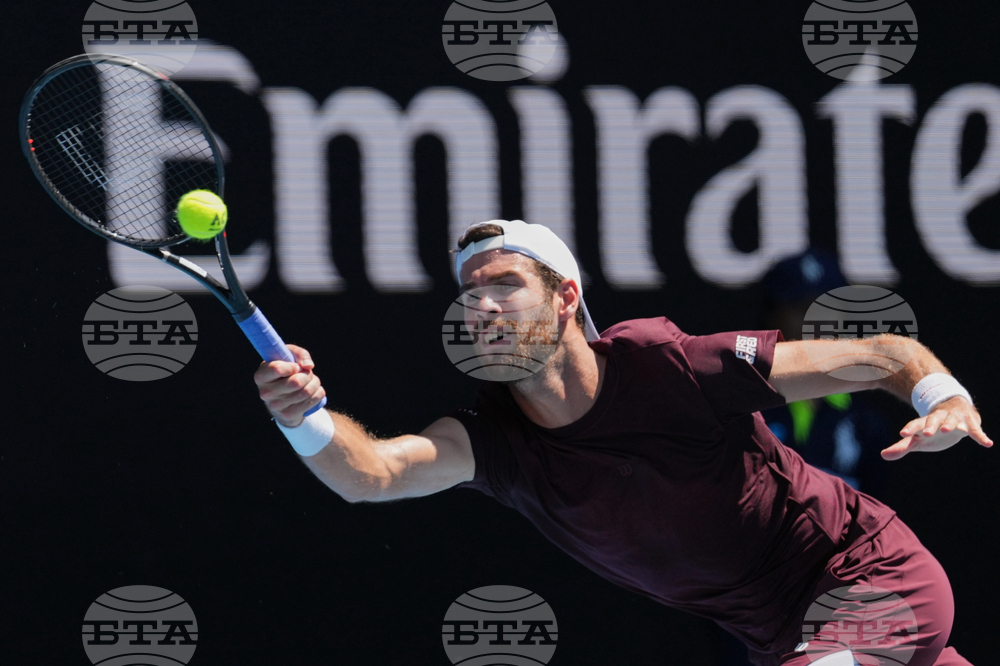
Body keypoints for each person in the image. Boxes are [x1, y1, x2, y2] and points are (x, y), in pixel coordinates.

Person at [254, 220, 991, 666]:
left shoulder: (675, 367)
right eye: (468, 294)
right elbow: (370, 475)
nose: (480, 303)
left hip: (870, 578)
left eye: (504, 283)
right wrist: (302, 417)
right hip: (778, 639)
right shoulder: (496, 444)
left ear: (566, 295)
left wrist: (943, 398)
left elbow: (884, 355)